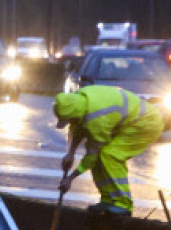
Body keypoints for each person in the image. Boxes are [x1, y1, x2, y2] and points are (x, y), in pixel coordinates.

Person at [55, 85, 164, 216]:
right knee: (102, 157)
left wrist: (70, 178)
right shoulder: (78, 99)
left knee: (109, 155)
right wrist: (70, 152)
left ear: (74, 115)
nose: (68, 123)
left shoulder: (96, 119)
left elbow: (91, 156)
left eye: (68, 120)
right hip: (131, 122)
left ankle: (123, 204)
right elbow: (77, 128)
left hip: (146, 123)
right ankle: (108, 199)